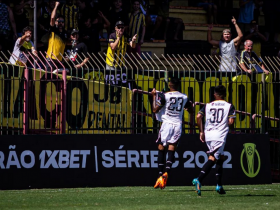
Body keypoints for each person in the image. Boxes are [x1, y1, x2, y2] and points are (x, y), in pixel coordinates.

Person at [192, 85, 236, 196]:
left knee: (220, 157)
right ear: (225, 94)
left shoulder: (208, 105)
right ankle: (199, 179)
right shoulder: (229, 106)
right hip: (219, 135)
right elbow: (231, 122)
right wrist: (227, 125)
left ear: (214, 95)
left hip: (208, 134)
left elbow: (198, 117)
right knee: (213, 158)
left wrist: (201, 131)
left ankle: (219, 185)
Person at [151, 78, 193, 189]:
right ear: (178, 85)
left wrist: (154, 96)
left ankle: (160, 175)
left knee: (161, 147)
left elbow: (155, 110)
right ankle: (166, 173)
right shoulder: (184, 97)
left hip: (167, 124)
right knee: (171, 149)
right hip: (178, 125)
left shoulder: (165, 96)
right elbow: (191, 110)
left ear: (170, 85)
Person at [46, 1, 68, 71]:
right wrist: (56, 6)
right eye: (59, 21)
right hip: (51, 58)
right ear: (56, 22)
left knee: (59, 80)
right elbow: (52, 18)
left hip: (60, 60)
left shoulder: (65, 33)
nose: (61, 23)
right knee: (49, 79)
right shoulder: (53, 30)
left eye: (62, 22)